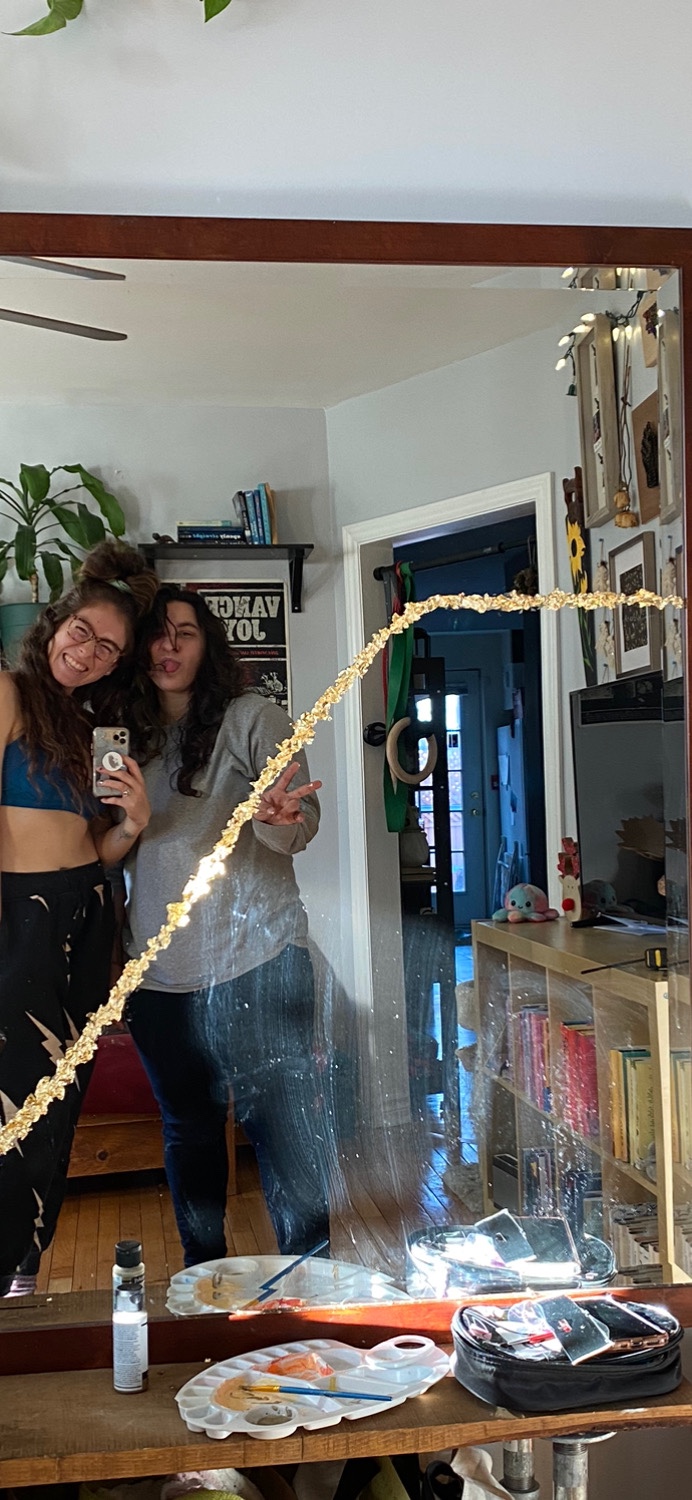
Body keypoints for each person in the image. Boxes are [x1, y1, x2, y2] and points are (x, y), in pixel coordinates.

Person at [123, 585, 331, 1266]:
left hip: (259, 961)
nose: (169, 647)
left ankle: (312, 1284)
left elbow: (300, 825)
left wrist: (279, 820)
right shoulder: (122, 737)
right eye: (156, 634)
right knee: (189, 1134)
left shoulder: (254, 718)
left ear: (206, 643)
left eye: (184, 633)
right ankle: (205, 1286)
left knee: (284, 1132)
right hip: (162, 979)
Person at [0, 542, 157, 1297]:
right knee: (17, 1099)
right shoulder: (7, 690)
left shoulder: (87, 727)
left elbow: (97, 849)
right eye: (83, 632)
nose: (89, 652)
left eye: (108, 649)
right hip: (20, 917)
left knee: (63, 1098)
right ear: (56, 622)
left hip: (86, 914)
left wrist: (133, 823)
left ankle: (26, 1272)